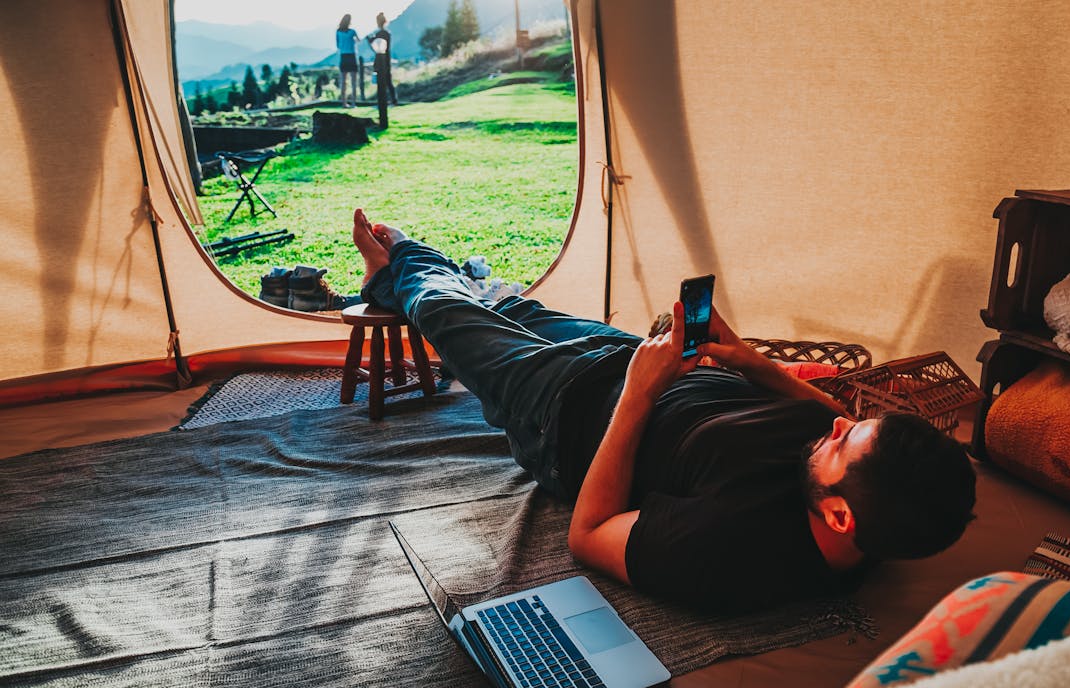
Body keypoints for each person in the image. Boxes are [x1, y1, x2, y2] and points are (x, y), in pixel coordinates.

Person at [352, 210, 977, 612]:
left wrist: (639, 393)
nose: (836, 421)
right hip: (636, 363)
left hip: (564, 413)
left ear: (839, 517)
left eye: (845, 442)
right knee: (513, 310)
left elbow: (587, 536)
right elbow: (828, 408)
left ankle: (399, 262)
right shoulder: (873, 494)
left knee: (443, 313)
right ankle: (435, 278)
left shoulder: (728, 553)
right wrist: (746, 361)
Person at [366, 12, 399, 105]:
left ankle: (383, 100)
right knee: (388, 81)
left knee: (382, 81)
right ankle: (393, 100)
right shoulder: (387, 33)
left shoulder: (379, 34)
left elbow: (375, 48)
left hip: (380, 59)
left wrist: (369, 40)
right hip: (386, 58)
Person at [335, 14, 360, 108]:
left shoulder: (338, 32)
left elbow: (338, 45)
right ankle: (353, 103)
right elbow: (358, 41)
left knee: (343, 82)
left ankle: (344, 103)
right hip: (352, 57)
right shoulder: (352, 32)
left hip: (343, 57)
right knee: (354, 82)